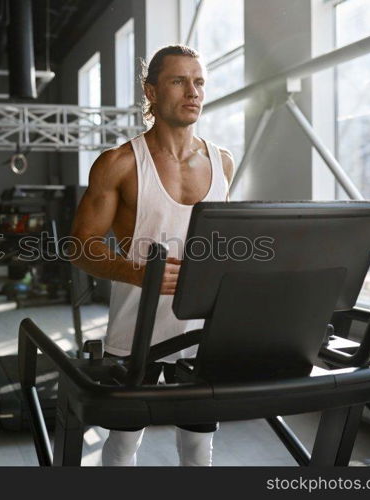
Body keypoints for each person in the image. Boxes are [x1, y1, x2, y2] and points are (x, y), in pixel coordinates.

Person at [70, 45, 234, 466]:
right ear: (152, 91)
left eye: (198, 82)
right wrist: (137, 272)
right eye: (179, 81)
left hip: (201, 334)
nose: (192, 91)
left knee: (199, 448)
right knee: (125, 444)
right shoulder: (119, 164)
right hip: (135, 335)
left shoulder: (224, 163)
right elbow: (80, 244)